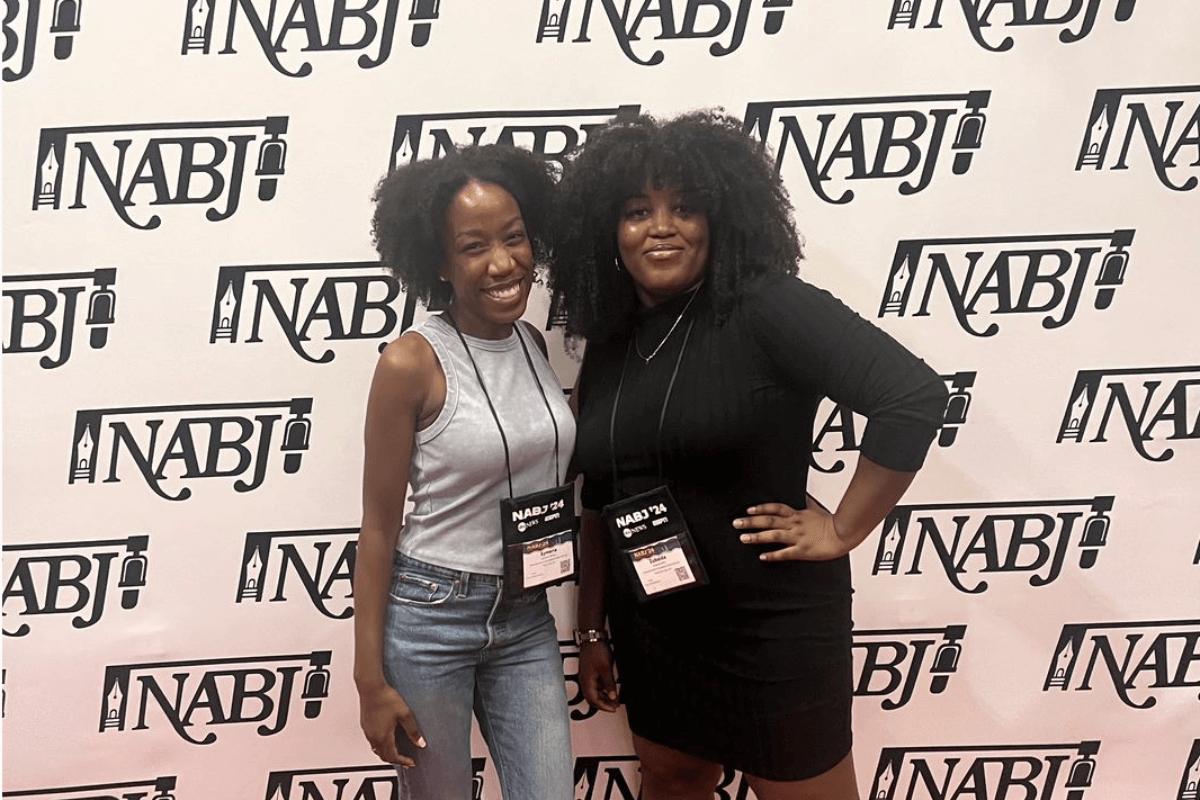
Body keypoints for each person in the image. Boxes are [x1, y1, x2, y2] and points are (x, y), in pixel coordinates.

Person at [551, 111, 949, 800]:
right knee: (674, 779)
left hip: (771, 628)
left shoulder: (766, 307)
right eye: (638, 210)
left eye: (685, 206)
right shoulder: (612, 341)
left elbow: (910, 395)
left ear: (723, 216)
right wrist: (592, 628)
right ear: (607, 231)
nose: (662, 226)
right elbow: (599, 499)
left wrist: (844, 527)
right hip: (657, 626)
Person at [354, 144, 575, 800]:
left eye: (514, 238)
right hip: (429, 617)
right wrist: (370, 680)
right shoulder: (411, 363)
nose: (504, 263)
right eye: (474, 246)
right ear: (440, 262)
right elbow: (376, 526)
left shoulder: (534, 345)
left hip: (526, 615)